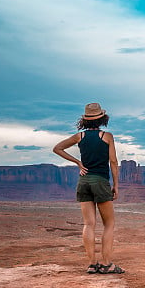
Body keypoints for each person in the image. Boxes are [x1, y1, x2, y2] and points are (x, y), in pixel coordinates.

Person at [53, 103, 124, 274]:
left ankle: (92, 264)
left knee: (88, 224)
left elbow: (57, 148)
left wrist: (78, 163)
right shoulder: (106, 136)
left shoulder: (80, 137)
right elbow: (113, 162)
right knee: (109, 224)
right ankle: (107, 264)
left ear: (85, 120)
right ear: (102, 119)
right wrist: (115, 185)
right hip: (100, 181)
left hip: (83, 181)